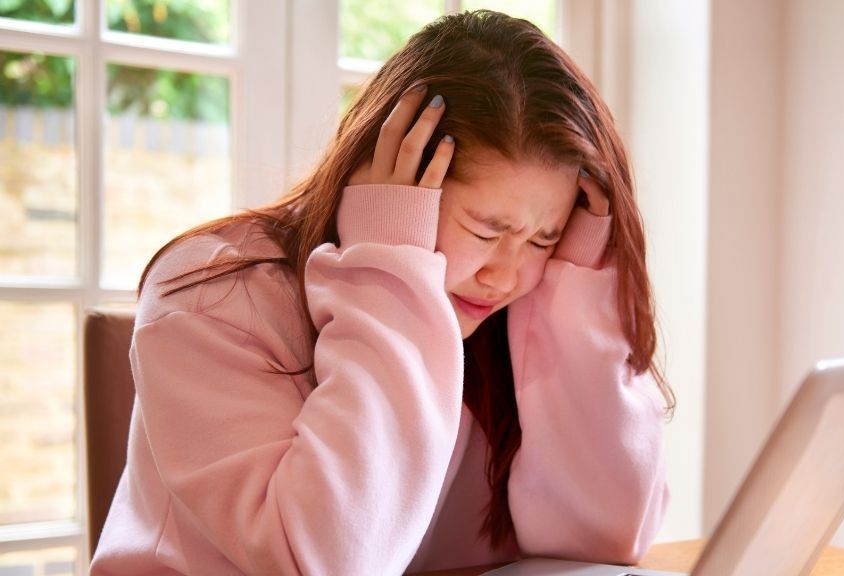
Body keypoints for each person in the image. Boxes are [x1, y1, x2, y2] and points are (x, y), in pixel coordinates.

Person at [90, 9, 674, 575]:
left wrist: (573, 297)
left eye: (543, 239)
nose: (507, 276)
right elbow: (324, 562)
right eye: (485, 230)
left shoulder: (521, 305)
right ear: (391, 180)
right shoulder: (212, 295)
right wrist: (391, 264)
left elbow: (600, 543)